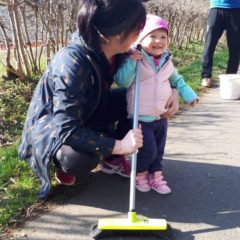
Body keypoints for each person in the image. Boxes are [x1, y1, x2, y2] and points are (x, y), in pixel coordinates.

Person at [18, 1, 181, 199]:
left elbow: (158, 71)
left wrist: (172, 91)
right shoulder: (71, 62)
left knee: (135, 100)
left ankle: (112, 159)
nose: (140, 34)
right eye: (137, 29)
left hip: (91, 108)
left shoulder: (122, 52)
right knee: (79, 159)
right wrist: (120, 144)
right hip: (54, 127)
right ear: (119, 33)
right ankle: (62, 160)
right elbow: (66, 129)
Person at [114, 14, 199, 194]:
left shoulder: (167, 61)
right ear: (141, 38)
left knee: (158, 151)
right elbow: (121, 81)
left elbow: (178, 81)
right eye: (152, 36)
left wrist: (190, 96)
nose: (158, 41)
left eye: (163, 37)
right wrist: (131, 62)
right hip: (140, 117)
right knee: (148, 150)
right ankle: (140, 175)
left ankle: (155, 177)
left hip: (160, 116)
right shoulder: (136, 58)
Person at [201, 0, 240, 87]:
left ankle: (230, 78)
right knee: (209, 45)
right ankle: (206, 76)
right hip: (216, 7)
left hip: (236, 9)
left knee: (235, 48)